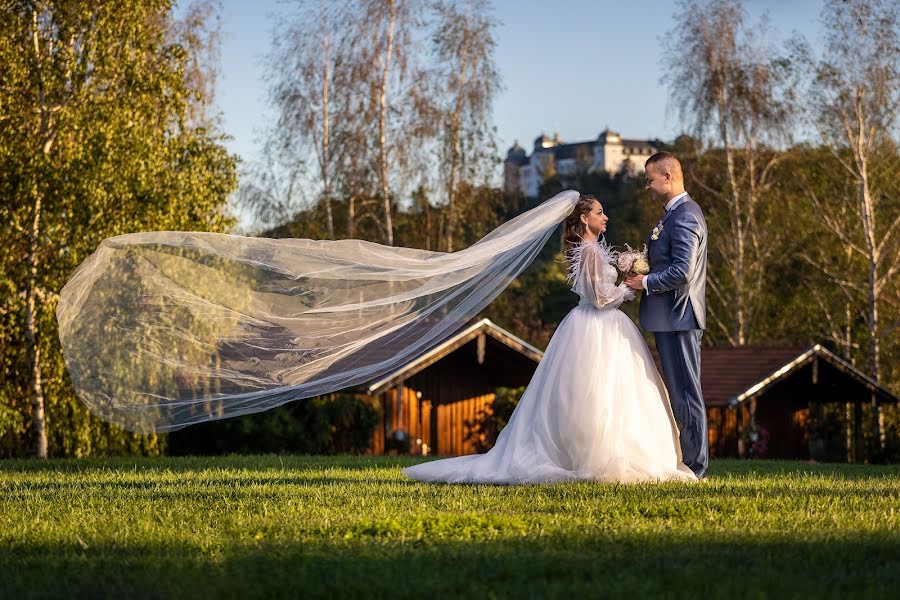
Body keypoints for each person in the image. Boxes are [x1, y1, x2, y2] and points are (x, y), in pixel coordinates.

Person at [403, 193, 697, 484]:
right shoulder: (589, 251)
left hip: (596, 325)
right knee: (598, 391)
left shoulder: (590, 249)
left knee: (602, 391)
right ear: (584, 219)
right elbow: (600, 299)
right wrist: (630, 287)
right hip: (598, 324)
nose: (605, 217)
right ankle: (598, 456)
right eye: (599, 212)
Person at [625, 151, 708, 479]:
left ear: (668, 177)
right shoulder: (673, 215)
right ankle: (688, 462)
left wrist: (644, 281)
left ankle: (696, 468)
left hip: (680, 317)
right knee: (679, 393)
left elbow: (682, 273)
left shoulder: (686, 216)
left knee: (687, 393)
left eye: (650, 179)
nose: (647, 186)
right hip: (670, 318)